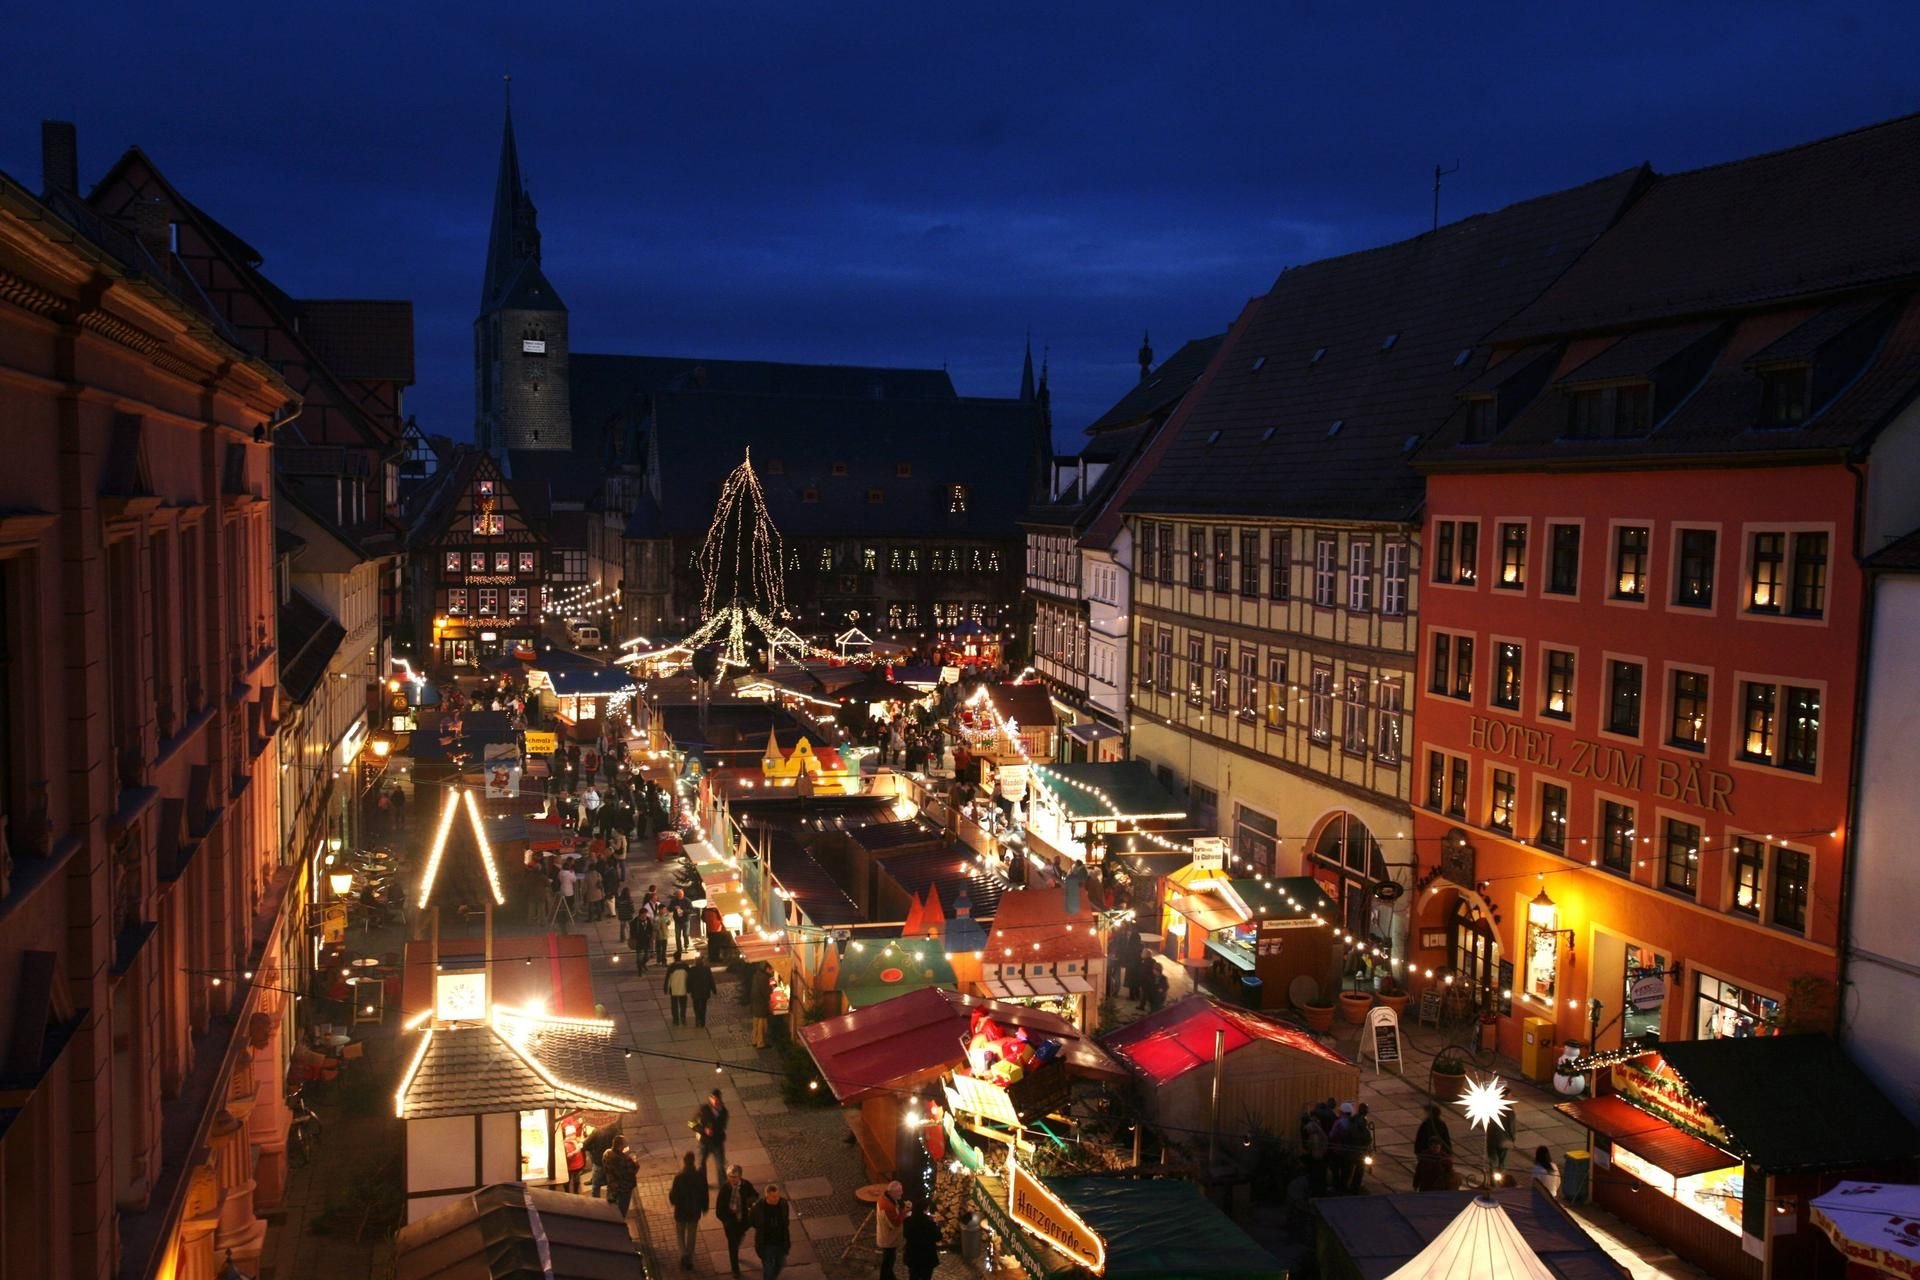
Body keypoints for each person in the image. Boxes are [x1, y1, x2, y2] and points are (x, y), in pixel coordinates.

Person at [716, 1165, 759, 1278]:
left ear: (740, 1176)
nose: (732, 1179)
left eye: (734, 1177)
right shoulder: (725, 1188)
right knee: (732, 1244)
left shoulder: (746, 1185)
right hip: (731, 1222)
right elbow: (719, 1209)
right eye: (730, 1176)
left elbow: (755, 1195)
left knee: (739, 1238)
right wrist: (726, 1221)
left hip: (744, 1220)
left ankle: (737, 1245)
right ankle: (735, 1268)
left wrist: (751, 1202)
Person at [670, 1150, 709, 1267]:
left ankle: (683, 1254)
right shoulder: (699, 1177)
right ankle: (689, 1256)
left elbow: (673, 1194)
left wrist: (674, 1202)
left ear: (684, 1161)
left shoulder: (679, 1177)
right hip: (694, 1210)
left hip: (681, 1211)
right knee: (692, 1234)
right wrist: (704, 1207)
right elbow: (704, 1193)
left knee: (680, 1233)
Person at [754, 1183, 790, 1280]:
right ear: (767, 1196)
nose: (776, 1199)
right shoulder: (759, 1207)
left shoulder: (783, 1204)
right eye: (774, 1197)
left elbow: (785, 1221)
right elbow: (752, 1220)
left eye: (778, 1196)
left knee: (780, 1264)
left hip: (780, 1241)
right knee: (768, 1269)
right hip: (766, 1243)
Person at [875, 1181, 907, 1280]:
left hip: (887, 1238)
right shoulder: (887, 1206)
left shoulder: (886, 1198)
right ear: (892, 1193)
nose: (902, 1193)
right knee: (888, 1262)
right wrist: (903, 1211)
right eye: (899, 1192)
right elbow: (895, 1223)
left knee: (888, 1261)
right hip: (889, 1240)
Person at [697, 1088, 730, 1182]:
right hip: (705, 1142)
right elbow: (692, 1123)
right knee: (701, 1165)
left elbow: (722, 1126)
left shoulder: (723, 1112)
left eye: (717, 1099)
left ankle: (723, 1187)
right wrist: (703, 1130)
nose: (715, 1101)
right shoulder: (704, 1110)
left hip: (717, 1143)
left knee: (720, 1166)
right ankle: (702, 1184)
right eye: (713, 1098)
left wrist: (714, 1130)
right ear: (710, 1099)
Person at [902, 1199, 940, 1280]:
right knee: (926, 1277)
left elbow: (905, 1235)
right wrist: (937, 1225)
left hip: (912, 1255)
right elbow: (938, 1237)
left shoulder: (908, 1221)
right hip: (927, 1257)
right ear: (925, 1210)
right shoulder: (929, 1223)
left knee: (913, 1276)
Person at [603, 1135, 640, 1217]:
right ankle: (619, 1222)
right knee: (622, 1209)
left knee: (611, 1204)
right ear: (620, 1146)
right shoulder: (626, 1159)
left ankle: (610, 1217)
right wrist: (635, 1162)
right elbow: (632, 1171)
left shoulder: (607, 1153)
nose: (626, 1146)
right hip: (624, 1188)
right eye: (624, 1144)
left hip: (612, 1185)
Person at [1328, 1102, 1357, 1195]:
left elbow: (1331, 1135)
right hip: (1349, 1152)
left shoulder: (1338, 1122)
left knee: (1336, 1169)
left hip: (1338, 1150)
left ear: (1342, 1112)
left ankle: (1336, 1187)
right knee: (1346, 1170)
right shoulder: (1353, 1123)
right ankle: (1344, 1187)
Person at [1345, 1103, 1374, 1193]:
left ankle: (1347, 1186)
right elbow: (1367, 1138)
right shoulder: (1361, 1123)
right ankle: (1354, 1188)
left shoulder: (1353, 1119)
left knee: (1350, 1169)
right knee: (1359, 1170)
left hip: (1352, 1149)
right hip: (1359, 1151)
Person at [689, 956, 718, 1028]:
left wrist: (688, 989)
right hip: (704, 991)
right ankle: (702, 1020)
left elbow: (689, 981)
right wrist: (714, 989)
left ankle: (697, 1018)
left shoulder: (692, 970)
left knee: (696, 1005)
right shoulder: (707, 969)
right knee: (704, 1006)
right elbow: (711, 980)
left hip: (695, 991)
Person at [750, 963, 774, 1049]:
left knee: (756, 1022)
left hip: (755, 1002)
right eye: (772, 970)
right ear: (767, 969)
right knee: (761, 1024)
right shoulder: (764, 978)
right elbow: (766, 992)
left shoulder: (757, 974)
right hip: (761, 1003)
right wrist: (772, 989)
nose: (772, 972)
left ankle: (754, 1040)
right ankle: (761, 1043)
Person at [666, 960, 691, 1027]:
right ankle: (683, 1018)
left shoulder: (671, 967)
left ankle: (675, 1020)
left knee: (674, 1005)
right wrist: (689, 988)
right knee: (683, 1005)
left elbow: (667, 979)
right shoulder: (685, 966)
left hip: (674, 989)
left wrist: (666, 988)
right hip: (683, 988)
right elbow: (689, 977)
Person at [631, 908, 654, 976]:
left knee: (647, 956)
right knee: (639, 957)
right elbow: (632, 933)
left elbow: (651, 929)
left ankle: (643, 964)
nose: (645, 916)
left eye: (646, 915)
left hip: (647, 942)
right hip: (639, 942)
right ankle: (640, 970)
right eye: (644, 915)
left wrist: (650, 936)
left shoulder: (648, 920)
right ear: (640, 914)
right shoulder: (635, 922)